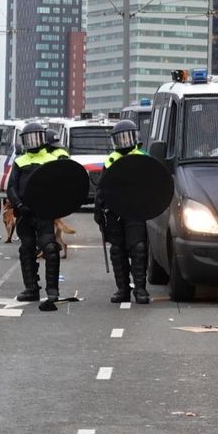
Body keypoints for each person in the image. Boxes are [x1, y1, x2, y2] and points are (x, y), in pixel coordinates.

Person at [5, 121, 70, 304]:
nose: (33, 142)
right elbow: (11, 187)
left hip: (44, 213)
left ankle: (52, 290)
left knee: (49, 247)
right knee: (26, 249)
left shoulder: (52, 159)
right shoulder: (20, 161)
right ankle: (31, 288)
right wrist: (18, 204)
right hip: (25, 214)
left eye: (37, 138)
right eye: (29, 139)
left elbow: (61, 185)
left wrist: (55, 204)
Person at [95, 119, 150, 304]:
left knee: (138, 248)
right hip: (114, 211)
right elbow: (101, 187)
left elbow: (154, 184)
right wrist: (98, 209)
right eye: (120, 138)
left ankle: (141, 289)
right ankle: (123, 289)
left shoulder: (143, 157)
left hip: (136, 211)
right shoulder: (111, 160)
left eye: (127, 137)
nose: (124, 142)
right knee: (117, 250)